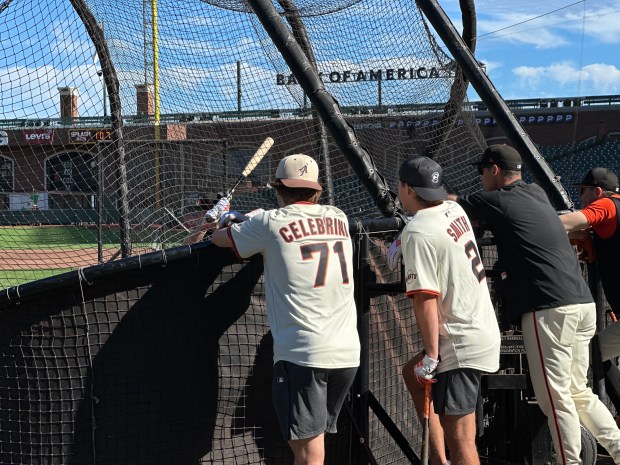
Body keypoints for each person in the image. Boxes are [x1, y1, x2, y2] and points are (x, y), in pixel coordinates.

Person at [452, 144, 620, 465]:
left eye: (482, 171)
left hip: (549, 308)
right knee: (578, 392)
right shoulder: (538, 193)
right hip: (582, 303)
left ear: (495, 170)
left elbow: (454, 206)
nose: (481, 178)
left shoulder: (493, 199)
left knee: (555, 398)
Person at [210, 154, 360, 465]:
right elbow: (291, 223)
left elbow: (219, 239)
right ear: (316, 191)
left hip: (304, 355)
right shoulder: (339, 216)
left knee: (308, 454)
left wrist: (223, 218)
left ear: (279, 187)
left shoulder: (269, 223)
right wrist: (252, 219)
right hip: (347, 354)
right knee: (313, 444)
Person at [390, 155, 501, 465]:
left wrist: (430, 354)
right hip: (478, 328)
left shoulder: (418, 232)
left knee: (462, 437)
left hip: (459, 342)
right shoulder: (453, 208)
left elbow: (425, 299)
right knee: (411, 376)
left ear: (408, 189)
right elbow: (434, 228)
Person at [559, 167, 620, 364]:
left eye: (582, 191)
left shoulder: (607, 205)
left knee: (584, 356)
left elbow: (564, 223)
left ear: (598, 192)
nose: (580, 198)